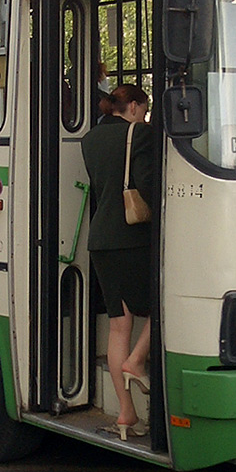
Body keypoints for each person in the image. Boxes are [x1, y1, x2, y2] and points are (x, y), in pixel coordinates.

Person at [80, 84, 155, 439]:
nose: (145, 115)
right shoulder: (140, 134)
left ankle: (126, 415)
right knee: (163, 307)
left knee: (118, 326)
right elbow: (147, 184)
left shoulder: (90, 140)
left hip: (100, 240)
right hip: (132, 239)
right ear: (136, 107)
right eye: (145, 108)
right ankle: (137, 361)